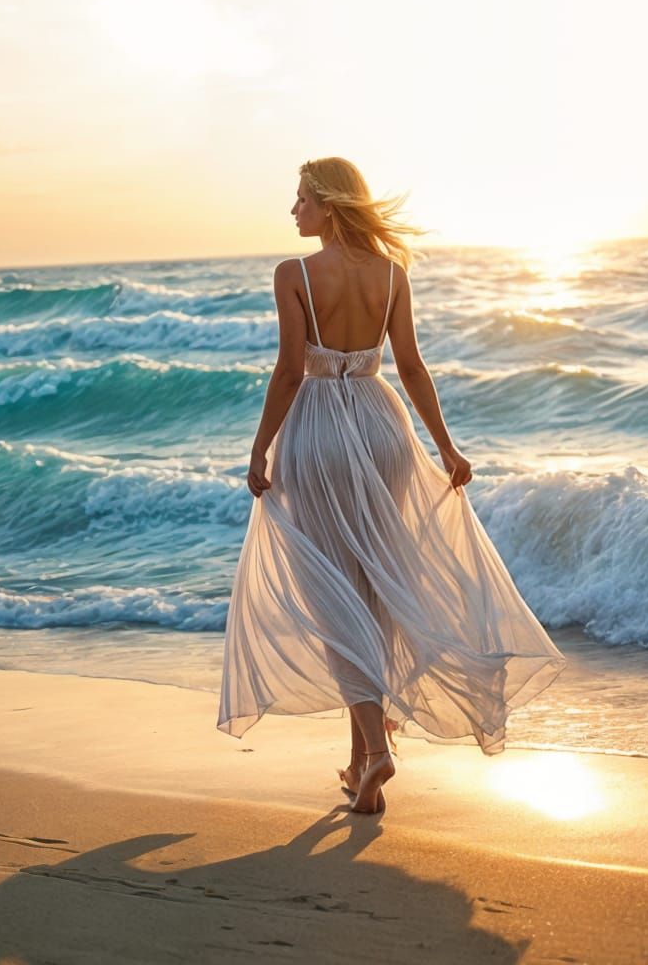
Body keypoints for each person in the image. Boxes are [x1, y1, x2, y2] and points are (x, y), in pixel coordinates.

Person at [216, 157, 567, 814]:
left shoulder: (293, 275)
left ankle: (376, 749)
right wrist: (446, 446)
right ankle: (359, 762)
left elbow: (291, 371)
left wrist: (259, 447)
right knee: (375, 588)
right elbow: (409, 365)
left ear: (328, 203)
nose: (293, 211)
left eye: (300, 200)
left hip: (319, 430)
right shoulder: (392, 275)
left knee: (331, 595)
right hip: (384, 427)